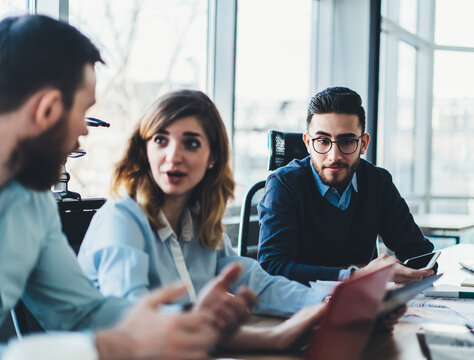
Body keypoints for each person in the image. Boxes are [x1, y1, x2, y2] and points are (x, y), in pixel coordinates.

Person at [0, 14, 253, 360]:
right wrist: (101, 348)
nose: (83, 135)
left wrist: (186, 318)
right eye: (84, 114)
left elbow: (83, 313)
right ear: (47, 110)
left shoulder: (32, 203)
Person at [77, 89, 330, 351]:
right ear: (144, 151)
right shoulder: (121, 220)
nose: (173, 156)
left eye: (191, 143)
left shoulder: (197, 220)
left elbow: (257, 283)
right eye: (161, 140)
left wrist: (326, 303)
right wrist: (271, 338)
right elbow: (135, 324)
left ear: (213, 158)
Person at [258, 86, 436, 285]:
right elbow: (272, 267)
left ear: (364, 144)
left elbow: (421, 255)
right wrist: (356, 276)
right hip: (299, 305)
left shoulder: (378, 182)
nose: (334, 156)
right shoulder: (283, 185)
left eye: (347, 141)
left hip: (363, 305)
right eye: (323, 141)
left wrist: (420, 269)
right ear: (308, 143)